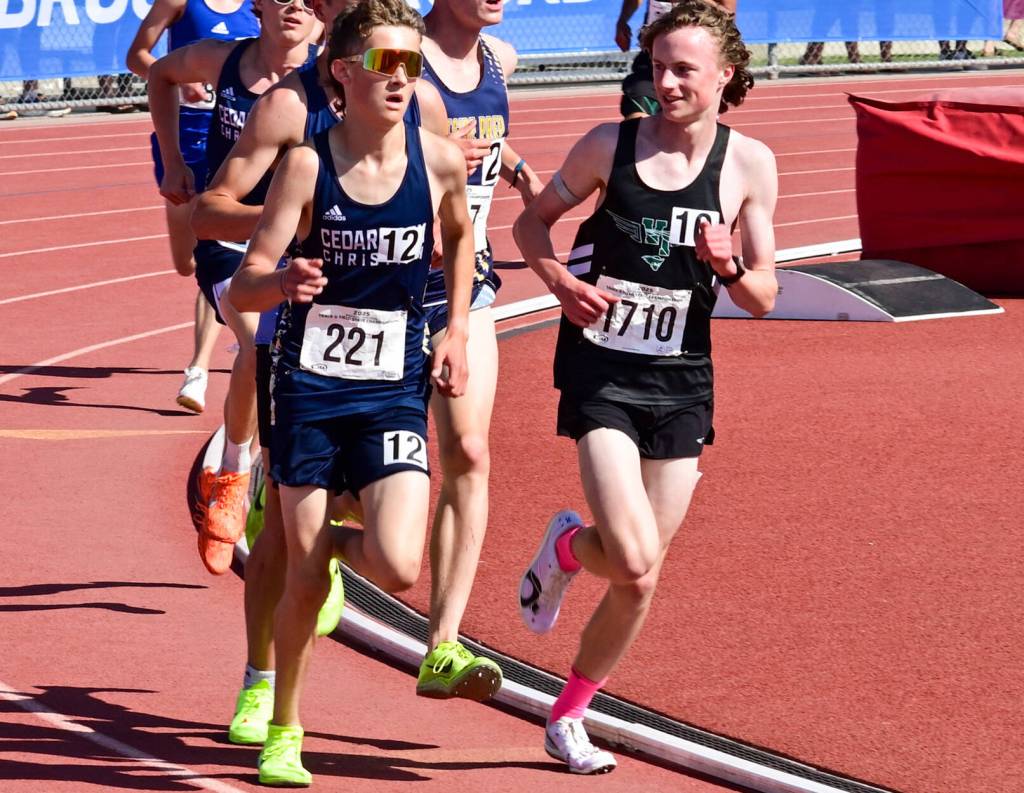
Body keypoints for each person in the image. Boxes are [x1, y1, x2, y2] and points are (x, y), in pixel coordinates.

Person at [513, 0, 777, 774]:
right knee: (630, 556)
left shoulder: (750, 163)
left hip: (684, 379)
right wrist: (560, 282)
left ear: (724, 76)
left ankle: (568, 715)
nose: (665, 82)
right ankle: (568, 544)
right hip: (602, 370)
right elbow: (533, 226)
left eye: (683, 70)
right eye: (658, 67)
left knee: (640, 579)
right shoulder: (609, 144)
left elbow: (763, 293)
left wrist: (728, 264)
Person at [191, 0, 450, 750]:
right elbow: (211, 212)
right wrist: (300, 223)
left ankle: (328, 546)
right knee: (281, 551)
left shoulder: (417, 106)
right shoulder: (287, 109)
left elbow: (455, 220)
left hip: (388, 358)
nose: (399, 73)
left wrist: (453, 316)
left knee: (366, 542)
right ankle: (261, 685)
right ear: (344, 51)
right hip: (299, 348)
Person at [148, 0, 319, 574]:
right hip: (229, 240)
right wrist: (172, 160)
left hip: (300, 248)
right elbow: (160, 72)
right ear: (259, 5)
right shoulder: (225, 61)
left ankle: (290, 477)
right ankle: (233, 472)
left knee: (301, 360)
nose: (295, 4)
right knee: (258, 343)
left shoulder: (330, 77)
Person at [411, 0, 542, 701]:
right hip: (386, 285)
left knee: (467, 451)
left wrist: (518, 168)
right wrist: (421, 155)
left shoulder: (500, 61)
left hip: (467, 288)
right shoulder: (398, 56)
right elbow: (340, 115)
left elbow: (484, 140)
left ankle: (443, 643)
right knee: (360, 477)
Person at [127, 0, 260, 412]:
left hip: (234, 144)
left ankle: (198, 369)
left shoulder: (260, 9)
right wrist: (182, 81)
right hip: (183, 138)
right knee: (186, 263)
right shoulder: (180, 2)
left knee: (216, 248)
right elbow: (137, 56)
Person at [614, 0, 735, 119]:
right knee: (636, 112)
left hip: (695, 58)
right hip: (653, 55)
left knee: (687, 125)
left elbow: (728, 13)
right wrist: (623, 20)